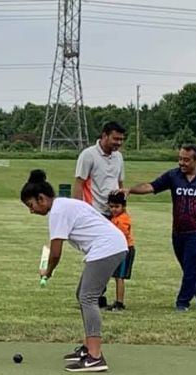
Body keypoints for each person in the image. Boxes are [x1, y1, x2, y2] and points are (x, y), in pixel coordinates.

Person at [21, 169, 127, 373]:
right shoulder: (63, 205)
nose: (31, 210)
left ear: (41, 198)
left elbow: (55, 253)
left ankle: (95, 357)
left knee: (88, 298)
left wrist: (48, 272)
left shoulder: (58, 211)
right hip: (111, 246)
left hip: (107, 247)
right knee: (83, 295)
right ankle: (88, 348)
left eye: (31, 205)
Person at [127, 144, 196, 311]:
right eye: (180, 159)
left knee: (191, 266)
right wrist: (130, 190)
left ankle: (182, 303)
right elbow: (151, 186)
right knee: (188, 267)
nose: (182, 163)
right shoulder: (173, 176)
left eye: (186, 160)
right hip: (178, 232)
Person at [73, 120, 126, 307]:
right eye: (115, 139)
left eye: (121, 140)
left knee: (109, 255)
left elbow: (120, 184)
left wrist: (122, 209)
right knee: (97, 255)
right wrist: (79, 211)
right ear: (104, 136)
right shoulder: (88, 155)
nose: (118, 143)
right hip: (94, 213)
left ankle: (95, 294)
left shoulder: (118, 157)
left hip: (114, 213)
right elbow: (79, 183)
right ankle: (89, 294)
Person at [105, 192, 135, 312]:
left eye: (117, 207)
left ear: (123, 206)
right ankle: (117, 301)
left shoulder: (123, 219)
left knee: (120, 277)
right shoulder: (114, 218)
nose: (114, 209)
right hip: (118, 249)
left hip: (125, 249)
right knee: (116, 276)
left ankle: (120, 303)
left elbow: (123, 233)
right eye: (111, 206)